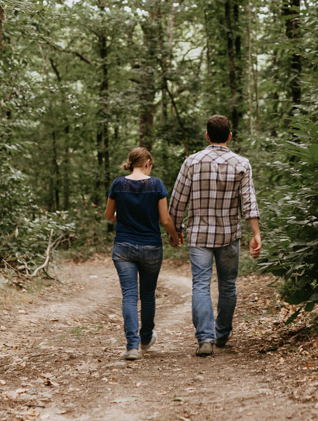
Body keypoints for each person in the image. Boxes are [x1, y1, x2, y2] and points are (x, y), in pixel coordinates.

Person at [168, 115, 261, 357]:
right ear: (229, 136)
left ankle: (205, 339)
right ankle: (222, 333)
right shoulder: (242, 164)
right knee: (227, 286)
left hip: (199, 235)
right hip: (229, 235)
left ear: (207, 136)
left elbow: (178, 199)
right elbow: (249, 201)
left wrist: (175, 229)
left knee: (200, 285)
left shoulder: (192, 162)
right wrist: (256, 233)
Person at [104, 146, 182, 361]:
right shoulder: (155, 184)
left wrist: (122, 216)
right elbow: (165, 219)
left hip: (123, 247)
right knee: (147, 295)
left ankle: (132, 346)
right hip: (151, 247)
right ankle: (146, 339)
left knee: (129, 294)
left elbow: (108, 215)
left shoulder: (118, 184)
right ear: (148, 163)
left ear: (131, 163)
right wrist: (174, 236)